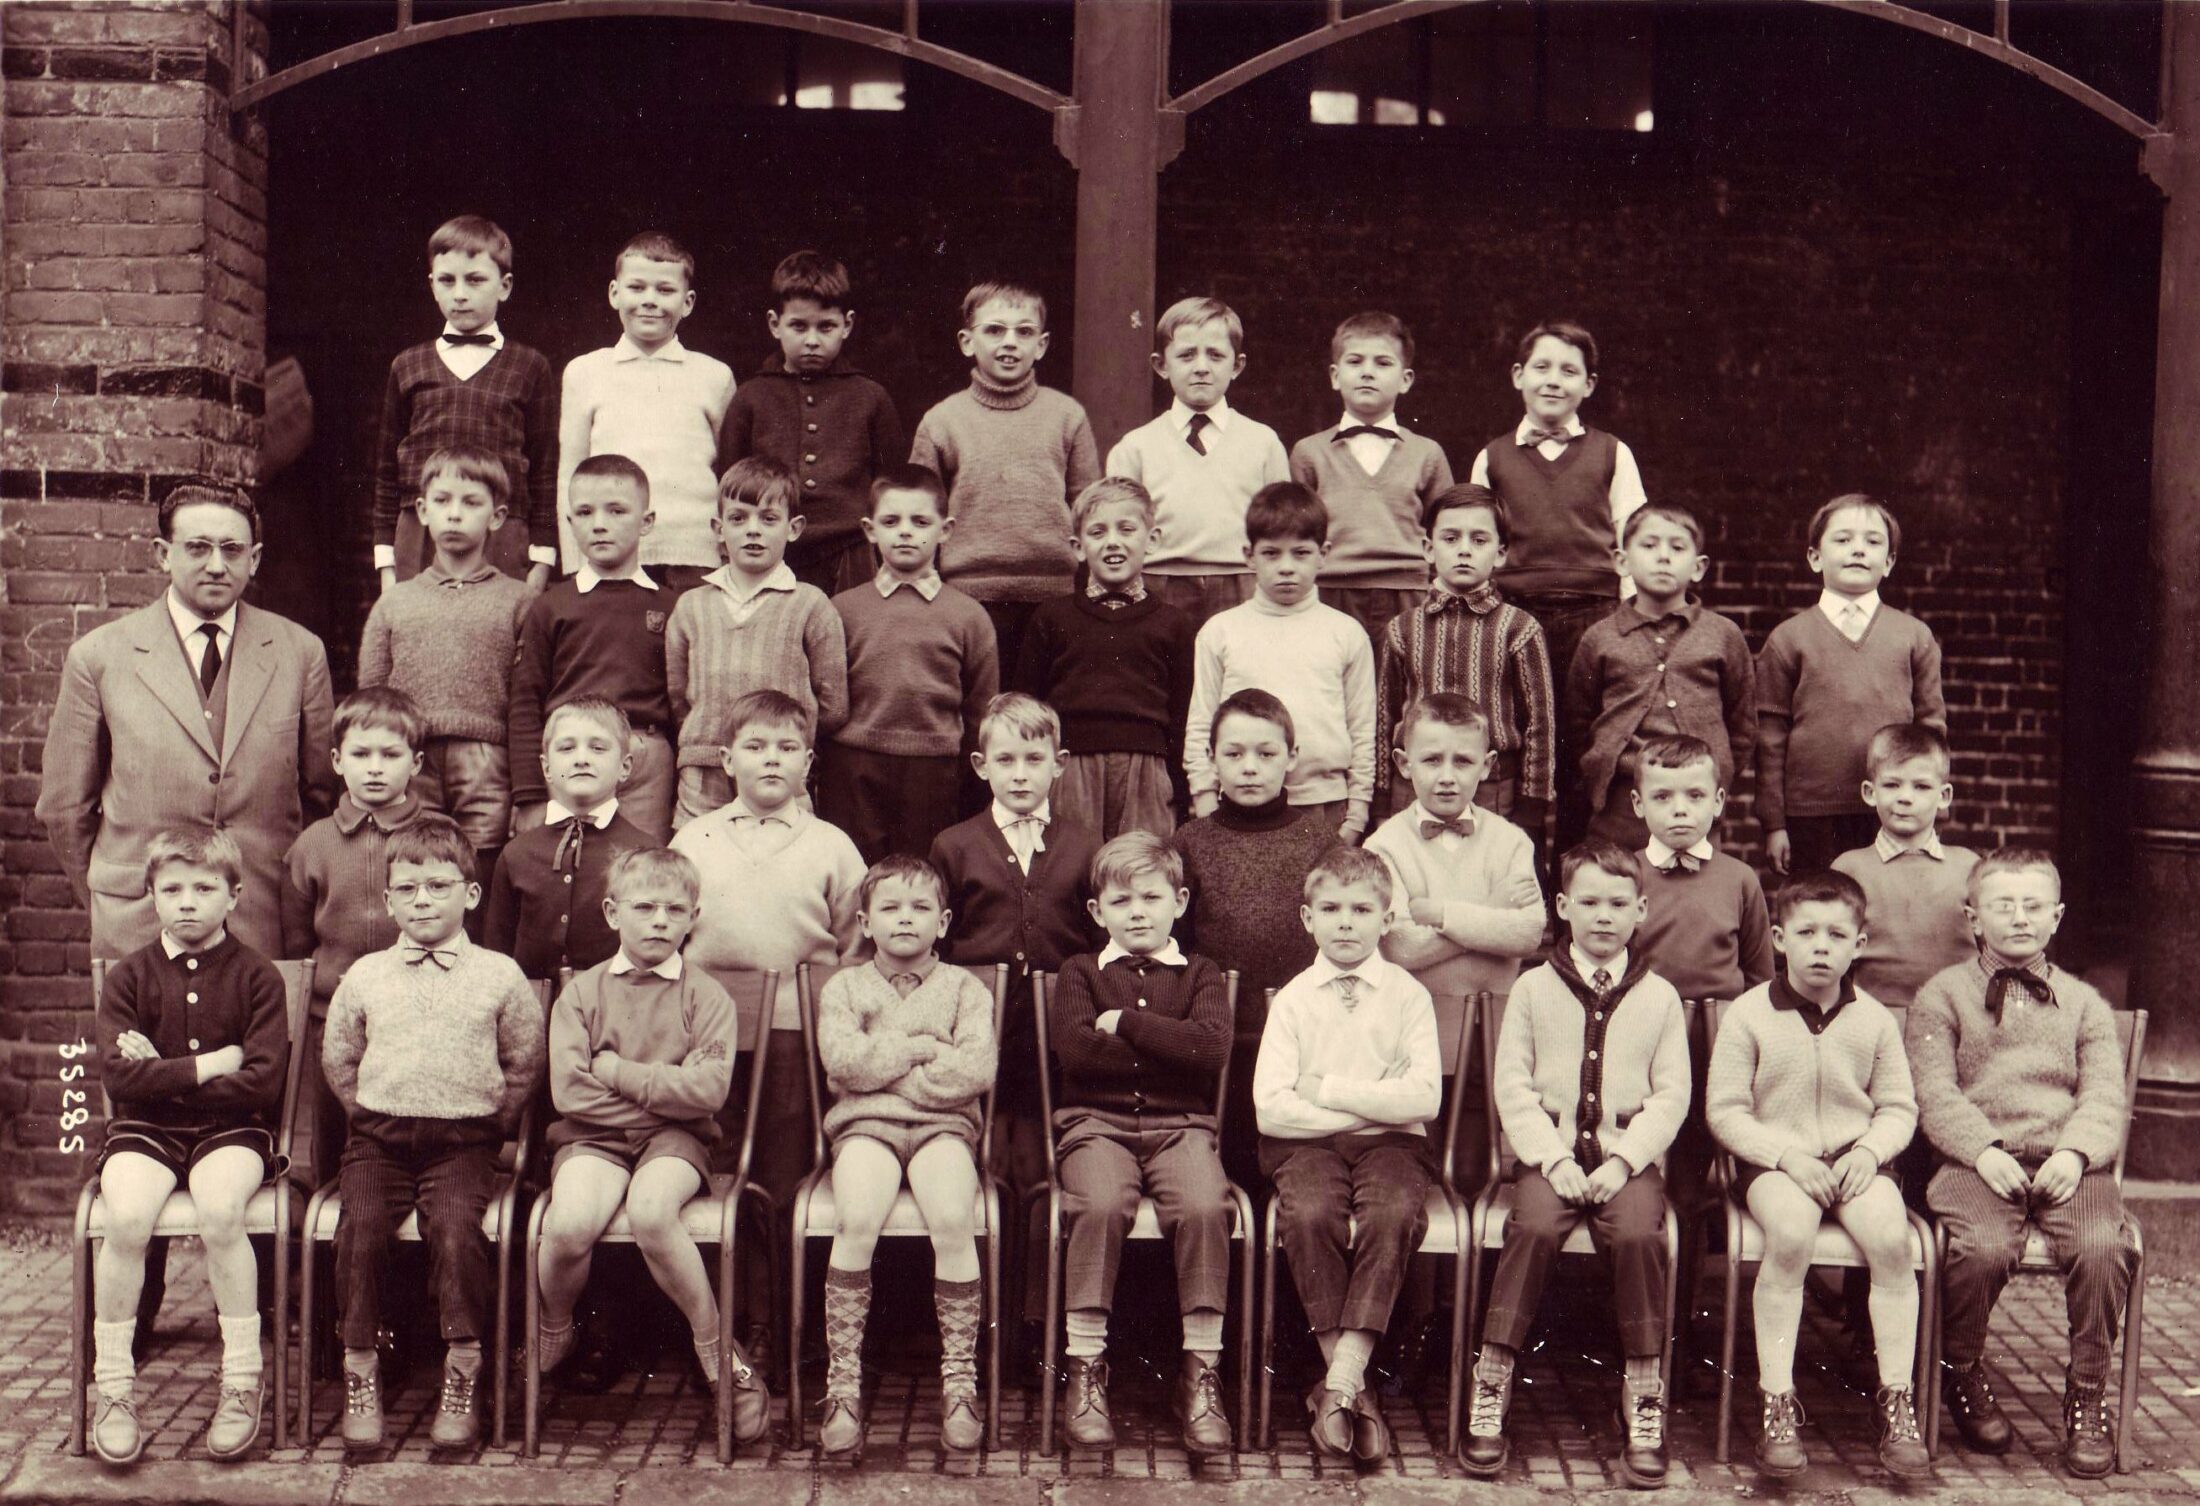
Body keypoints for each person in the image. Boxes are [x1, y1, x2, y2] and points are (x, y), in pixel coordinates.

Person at [1462, 839, 1686, 1488]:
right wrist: (1551, 1157)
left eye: (1618, 903)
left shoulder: (1660, 997)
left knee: (1640, 1234)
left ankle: (1643, 1389)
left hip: (1625, 1164)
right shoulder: (1533, 989)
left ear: (1641, 910)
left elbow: (1672, 1095)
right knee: (1531, 1226)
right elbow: (1512, 1085)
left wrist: (1626, 1159)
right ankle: (1493, 1376)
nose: (1603, 916)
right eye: (1588, 902)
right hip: (1550, 1160)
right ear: (1562, 907)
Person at [1908, 849, 2136, 1480]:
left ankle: (2087, 1395)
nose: (2019, 918)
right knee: (1980, 1249)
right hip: (1975, 1163)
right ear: (1973, 918)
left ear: (2056, 917)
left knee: (2102, 1246)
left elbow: (2104, 1096)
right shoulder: (1942, 996)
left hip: (2069, 1165)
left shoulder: (2085, 1004)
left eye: (2034, 906)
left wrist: (2076, 1152)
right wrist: (1982, 1149)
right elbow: (1934, 1091)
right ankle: (1960, 1369)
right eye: (2003, 905)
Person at [321, 815, 545, 1450]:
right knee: (360, 1227)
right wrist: (375, 1113)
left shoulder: (499, 975)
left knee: (454, 1229)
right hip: (378, 1142)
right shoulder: (366, 974)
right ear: (387, 900)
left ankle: (463, 1367)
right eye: (408, 889)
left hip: (462, 1144)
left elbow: (524, 1061)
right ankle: (360, 1365)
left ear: (470, 895)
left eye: (438, 887)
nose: (423, 901)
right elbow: (340, 1057)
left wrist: (487, 1120)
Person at [40, 483, 337, 960]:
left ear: (255, 559)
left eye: (232, 550)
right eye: (198, 547)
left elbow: (320, 793)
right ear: (163, 554)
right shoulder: (100, 656)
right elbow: (64, 807)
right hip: (138, 924)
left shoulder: (299, 652)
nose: (217, 565)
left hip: (261, 920)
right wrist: (111, 899)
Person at [532, 847, 768, 1443]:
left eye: (674, 910)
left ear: (694, 917)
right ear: (614, 913)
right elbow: (569, 1094)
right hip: (593, 1139)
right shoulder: (581, 994)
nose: (660, 921)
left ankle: (717, 1351)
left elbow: (707, 1093)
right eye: (644, 908)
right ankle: (554, 1328)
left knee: (652, 1209)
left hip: (677, 1140)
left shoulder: (706, 997)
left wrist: (617, 1072)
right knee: (569, 1223)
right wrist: (666, 1091)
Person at [1707, 869, 1930, 1481]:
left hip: (1857, 1161)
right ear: (1780, 939)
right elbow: (1725, 1110)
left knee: (1892, 1241)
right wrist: (1785, 1157)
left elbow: (1898, 1107)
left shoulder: (1875, 1020)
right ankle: (1777, 1400)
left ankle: (1897, 1398)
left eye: (1836, 935)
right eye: (1806, 933)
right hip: (1778, 1163)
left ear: (1860, 944)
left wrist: (1870, 1153)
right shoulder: (1749, 1014)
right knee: (1791, 1235)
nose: (1821, 947)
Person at [88, 828, 289, 1466]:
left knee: (222, 1212)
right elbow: (119, 1081)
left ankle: (242, 1380)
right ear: (150, 895)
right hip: (143, 1131)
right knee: (125, 1218)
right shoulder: (129, 976)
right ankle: (113, 1388)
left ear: (235, 895)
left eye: (204, 888)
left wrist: (163, 1073)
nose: (187, 902)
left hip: (231, 1130)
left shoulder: (258, 977)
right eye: (171, 889)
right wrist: (211, 1065)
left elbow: (262, 1082)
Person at [673, 688, 866, 1344]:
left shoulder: (832, 847)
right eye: (755, 747)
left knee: (782, 1180)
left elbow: (854, 950)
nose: (772, 760)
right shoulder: (694, 839)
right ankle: (725, 1327)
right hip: (708, 1041)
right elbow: (670, 935)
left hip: (793, 1041)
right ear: (727, 759)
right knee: (719, 1176)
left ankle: (782, 1328)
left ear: (808, 761)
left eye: (788, 748)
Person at [1046, 832, 1235, 1453]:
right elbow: (1077, 1051)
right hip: (1095, 1126)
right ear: (1097, 911)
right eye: (1121, 901)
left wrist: (1125, 1023)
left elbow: (1210, 1049)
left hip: (1181, 1128)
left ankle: (1200, 1372)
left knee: (1205, 1205)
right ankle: (1085, 1368)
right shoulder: (1080, 973)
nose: (1137, 913)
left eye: (1152, 898)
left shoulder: (1201, 974)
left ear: (1179, 902)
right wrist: (1170, 1046)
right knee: (1099, 1204)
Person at [1255, 845, 1441, 1467]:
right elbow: (1271, 1111)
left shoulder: (1408, 996)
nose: (1345, 923)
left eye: (1362, 910)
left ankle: (1337, 1384)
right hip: (1305, 1146)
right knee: (1309, 1213)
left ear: (1387, 920)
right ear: (1307, 918)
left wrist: (1328, 1089)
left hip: (1393, 1147)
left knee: (1392, 1213)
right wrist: (1376, 1103)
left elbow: (1425, 1098)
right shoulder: (1293, 1000)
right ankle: (1352, 1388)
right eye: (1331, 909)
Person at [814, 855, 1000, 1455]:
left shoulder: (966, 989)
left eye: (920, 908)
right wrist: (921, 1050)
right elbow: (843, 1062)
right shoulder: (844, 987)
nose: (905, 918)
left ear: (942, 922)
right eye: (890, 907)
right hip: (865, 1129)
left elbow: (974, 1071)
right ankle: (843, 1385)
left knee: (953, 1220)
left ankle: (960, 1383)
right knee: (855, 1221)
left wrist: (884, 1065)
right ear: (865, 922)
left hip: (944, 1129)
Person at [1469, 321, 1648, 847]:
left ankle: (1573, 872)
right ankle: (1516, 872)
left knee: (1580, 747)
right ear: (1518, 376)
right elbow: (1477, 537)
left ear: (1588, 385)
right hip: (1513, 615)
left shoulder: (1612, 453)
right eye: (1542, 367)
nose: (1553, 380)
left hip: (1593, 616)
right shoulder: (1493, 457)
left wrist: (1628, 617)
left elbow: (1633, 537)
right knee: (1515, 739)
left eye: (1569, 371)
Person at [928, 693, 1100, 1231]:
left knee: (1041, 1161)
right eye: (1005, 760)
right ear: (981, 766)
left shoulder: (1085, 844)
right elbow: (939, 945)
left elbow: (1099, 944)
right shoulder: (954, 845)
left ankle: (1034, 1276)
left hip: (1056, 1036)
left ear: (1059, 764)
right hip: (978, 1032)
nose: (1020, 774)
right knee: (981, 1158)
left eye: (1034, 759)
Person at [1173, 690, 1336, 1188]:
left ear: (1292, 757)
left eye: (1266, 754)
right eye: (1234, 753)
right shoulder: (1190, 842)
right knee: (1224, 1168)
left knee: (1288, 1174)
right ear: (1211, 757)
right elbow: (1174, 943)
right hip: (1217, 1043)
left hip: (1299, 1043)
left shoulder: (1320, 842)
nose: (1250, 768)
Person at [357, 444, 535, 873]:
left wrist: (525, 786)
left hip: (488, 762)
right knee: (413, 863)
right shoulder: (396, 602)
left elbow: (528, 699)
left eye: (471, 503)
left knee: (481, 866)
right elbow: (372, 695)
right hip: (410, 758)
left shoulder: (519, 601)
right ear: (422, 510)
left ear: (497, 516)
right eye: (442, 501)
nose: (454, 514)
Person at [282, 688, 435, 1181]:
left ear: (416, 763)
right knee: (333, 1132)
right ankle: (328, 1217)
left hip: (418, 1011)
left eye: (390, 755)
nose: (374, 768)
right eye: (360, 754)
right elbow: (297, 943)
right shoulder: (313, 845)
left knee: (408, 1129)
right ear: (336, 761)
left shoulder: (438, 838)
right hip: (332, 1016)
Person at [910, 280, 1100, 674]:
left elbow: (1088, 507)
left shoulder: (1067, 416)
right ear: (967, 342)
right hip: (968, 595)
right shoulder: (942, 420)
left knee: (1041, 701)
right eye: (995, 330)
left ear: (1042, 345)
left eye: (1024, 332)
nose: (1010, 342)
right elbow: (919, 512)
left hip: (1053, 594)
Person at [1758, 494, 1946, 874]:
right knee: (1819, 902)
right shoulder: (1788, 639)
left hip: (1892, 807)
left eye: (1873, 542)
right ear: (1815, 557)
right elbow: (1770, 738)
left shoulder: (1913, 636)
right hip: (1811, 813)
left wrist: (1931, 810)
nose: (1858, 550)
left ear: (1889, 562)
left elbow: (1931, 729)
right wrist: (1774, 823)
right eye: (1843, 540)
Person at [1184, 482, 1377, 843]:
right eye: (1271, 554)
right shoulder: (1221, 631)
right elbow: (1201, 721)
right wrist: (1205, 796)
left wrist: (1357, 813)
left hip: (1323, 804)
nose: (1286, 567)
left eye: (1301, 553)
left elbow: (1363, 729)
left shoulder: (1346, 633)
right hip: (1238, 805)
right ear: (1249, 555)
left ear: (1323, 554)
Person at [827, 465, 1000, 863]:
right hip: (853, 767)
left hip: (933, 772)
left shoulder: (968, 616)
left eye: (920, 522)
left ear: (946, 530)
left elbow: (981, 710)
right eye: (891, 521)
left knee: (923, 874)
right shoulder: (842, 609)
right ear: (870, 530)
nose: (905, 532)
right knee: (857, 872)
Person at [372, 215, 556, 589]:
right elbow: (387, 469)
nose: (459, 293)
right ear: (432, 286)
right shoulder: (407, 365)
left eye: (474, 280)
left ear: (504, 286)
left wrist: (542, 558)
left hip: (502, 531)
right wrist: (386, 562)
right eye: (447, 280)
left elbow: (545, 468)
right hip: (421, 531)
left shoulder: (530, 366)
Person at [665, 456, 847, 827]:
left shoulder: (810, 604)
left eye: (768, 519)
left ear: (793, 528)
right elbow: (678, 695)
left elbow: (833, 703)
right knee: (698, 853)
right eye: (738, 518)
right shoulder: (692, 606)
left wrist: (786, 741)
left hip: (780, 769)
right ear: (718, 528)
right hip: (705, 769)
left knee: (784, 848)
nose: (753, 530)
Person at [1014, 477, 1197, 839]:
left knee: (1141, 862)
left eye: (1126, 529)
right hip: (1071, 769)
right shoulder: (1051, 618)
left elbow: (1182, 715)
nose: (1113, 541)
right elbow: (1027, 708)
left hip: (1147, 770)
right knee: (1070, 861)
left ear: (1152, 540)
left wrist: (1180, 789)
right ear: (1078, 547)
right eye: (1098, 532)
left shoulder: (1174, 623)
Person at [509, 453, 678, 845]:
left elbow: (682, 700)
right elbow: (525, 701)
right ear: (570, 523)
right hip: (573, 752)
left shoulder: (671, 606)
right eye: (585, 513)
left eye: (616, 511)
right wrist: (529, 794)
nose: (599, 524)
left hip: (645, 755)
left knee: (640, 862)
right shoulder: (551, 605)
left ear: (647, 522)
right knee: (567, 861)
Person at [1566, 503, 1754, 852]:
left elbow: (1742, 724)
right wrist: (1604, 766)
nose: (1663, 556)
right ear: (1622, 562)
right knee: (1620, 877)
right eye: (1650, 545)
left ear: (1698, 567)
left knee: (1695, 879)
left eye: (1677, 547)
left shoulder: (1723, 635)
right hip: (1621, 799)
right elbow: (1578, 721)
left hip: (1696, 797)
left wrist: (1714, 772)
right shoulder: (1600, 637)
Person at [717, 250, 905, 596]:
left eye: (826, 326)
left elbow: (891, 487)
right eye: (799, 326)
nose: (813, 340)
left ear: (847, 324)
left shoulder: (871, 397)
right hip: (773, 550)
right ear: (775, 324)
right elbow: (729, 480)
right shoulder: (751, 397)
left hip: (851, 551)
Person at [555, 232, 734, 593]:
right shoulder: (585, 371)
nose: (649, 300)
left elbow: (731, 474)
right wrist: (575, 561)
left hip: (696, 557)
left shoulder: (714, 376)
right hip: (610, 555)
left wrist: (728, 552)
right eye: (636, 287)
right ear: (614, 293)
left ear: (688, 302)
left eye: (665, 290)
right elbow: (569, 474)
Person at [1375, 485, 1554, 831]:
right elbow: (1384, 718)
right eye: (1451, 538)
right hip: (1413, 787)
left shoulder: (1519, 628)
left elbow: (1540, 726)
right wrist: (1382, 799)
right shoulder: (1403, 629)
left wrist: (1532, 806)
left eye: (1479, 540)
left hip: (1492, 789)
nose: (1464, 550)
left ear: (1500, 553)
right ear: (1428, 549)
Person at [1103, 296, 1289, 628]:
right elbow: (1117, 532)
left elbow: (1282, 529)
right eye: (1187, 355)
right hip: (1158, 583)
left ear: (1237, 365)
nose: (1201, 366)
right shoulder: (1135, 447)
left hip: (1243, 584)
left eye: (1215, 355)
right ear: (1161, 365)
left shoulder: (1263, 442)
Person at [1365, 695, 1545, 1005]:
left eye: (1462, 761)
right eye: (1432, 760)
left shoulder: (1511, 842)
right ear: (1404, 764)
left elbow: (1528, 933)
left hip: (1496, 1012)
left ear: (1486, 766)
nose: (1447, 777)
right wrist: (1492, 908)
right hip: (1414, 1015)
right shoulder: (1384, 847)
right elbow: (1401, 947)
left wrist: (1441, 915)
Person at [1290, 311, 1454, 646]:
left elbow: (1447, 531)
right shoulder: (1309, 452)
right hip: (1330, 591)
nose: (1367, 372)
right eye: (1355, 361)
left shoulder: (1427, 453)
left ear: (1405, 380)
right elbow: (1294, 533)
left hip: (1408, 593)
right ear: (1335, 376)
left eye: (1382, 363)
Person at [484, 697, 652, 982]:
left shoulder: (644, 853)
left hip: (615, 1001)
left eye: (598, 748)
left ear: (625, 767)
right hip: (530, 1003)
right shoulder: (516, 854)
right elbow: (496, 956)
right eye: (566, 748)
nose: (581, 758)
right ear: (546, 768)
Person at [1830, 722, 1981, 1007]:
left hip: (1957, 1013)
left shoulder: (1969, 867)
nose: (1905, 797)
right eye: (1891, 784)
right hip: (1875, 1014)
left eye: (1921, 786)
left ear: (1944, 796)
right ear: (1870, 792)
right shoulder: (1850, 868)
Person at [1628, 735, 1774, 1006]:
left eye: (1695, 796)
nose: (1679, 810)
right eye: (1662, 797)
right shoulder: (1626, 877)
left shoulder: (1740, 879)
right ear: (1639, 803)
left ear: (1718, 801)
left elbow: (1760, 976)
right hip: (1647, 1018)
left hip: (1723, 1022)